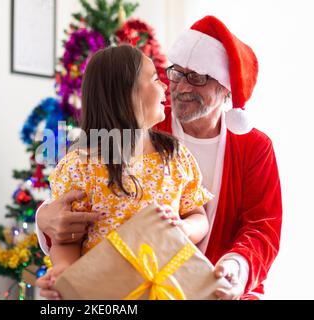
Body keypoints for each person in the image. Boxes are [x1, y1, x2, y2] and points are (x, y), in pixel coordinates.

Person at [36, 16, 282, 300]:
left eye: (199, 77)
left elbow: (262, 227)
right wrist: (46, 218)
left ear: (225, 88)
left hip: (199, 287)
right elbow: (70, 214)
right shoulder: (141, 128)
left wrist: (233, 266)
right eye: (176, 73)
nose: (180, 87)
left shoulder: (246, 148)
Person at [47, 45, 213, 281]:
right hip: (104, 291)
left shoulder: (175, 155)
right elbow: (66, 241)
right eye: (156, 79)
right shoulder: (81, 167)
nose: (165, 86)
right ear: (127, 94)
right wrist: (64, 272)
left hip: (166, 290)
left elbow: (198, 215)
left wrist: (184, 229)